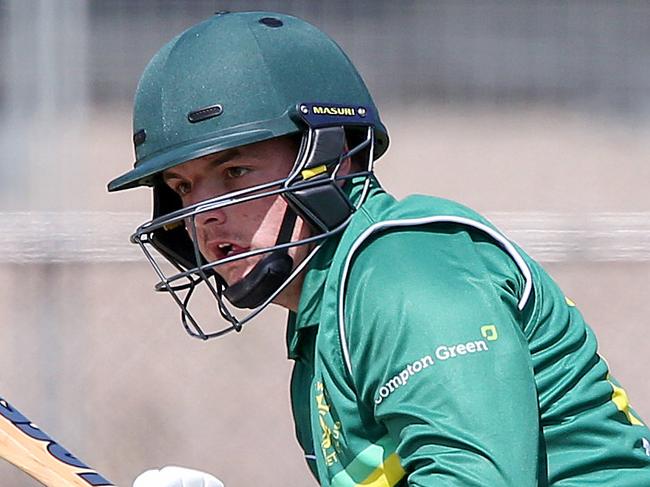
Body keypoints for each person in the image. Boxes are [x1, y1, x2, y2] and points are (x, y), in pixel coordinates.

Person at [109, 11, 650, 487]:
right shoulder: (326, 317)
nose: (204, 214)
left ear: (331, 156)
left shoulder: (401, 271)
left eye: (235, 172)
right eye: (182, 186)